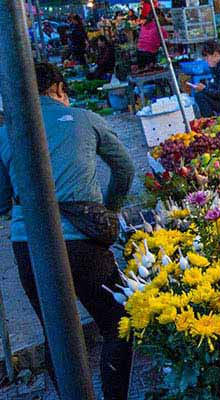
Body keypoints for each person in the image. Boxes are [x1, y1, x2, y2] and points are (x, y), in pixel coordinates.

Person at [0, 63, 134, 400]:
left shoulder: (6, 132)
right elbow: (125, 169)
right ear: (59, 88)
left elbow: (2, 202)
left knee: (55, 333)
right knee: (120, 323)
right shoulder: (84, 118)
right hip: (84, 244)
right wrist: (108, 208)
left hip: (28, 246)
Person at [136, 0, 166, 70]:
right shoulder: (158, 27)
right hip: (149, 54)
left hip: (139, 52)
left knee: (143, 72)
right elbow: (166, 40)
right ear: (158, 16)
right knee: (151, 72)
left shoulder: (144, 25)